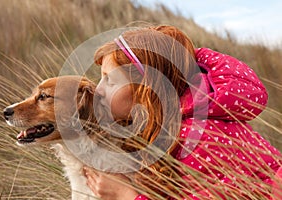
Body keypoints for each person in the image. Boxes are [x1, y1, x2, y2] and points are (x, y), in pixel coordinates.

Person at [82, 25, 282, 200]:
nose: (97, 90)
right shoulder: (172, 124)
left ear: (147, 90)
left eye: (110, 80)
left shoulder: (199, 137)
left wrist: (125, 195)